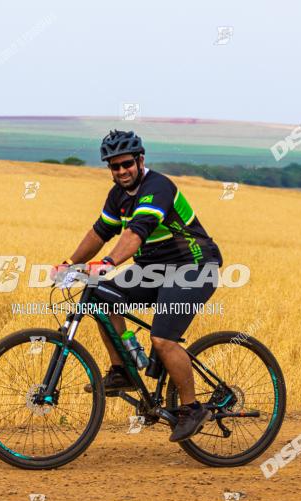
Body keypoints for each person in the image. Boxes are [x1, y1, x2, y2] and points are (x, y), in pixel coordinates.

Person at [54, 129, 223, 442]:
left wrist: (107, 263)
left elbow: (135, 234)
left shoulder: (157, 187)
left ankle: (192, 408)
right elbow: (99, 232)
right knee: (101, 298)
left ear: (140, 160)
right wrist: (69, 264)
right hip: (153, 269)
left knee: (162, 338)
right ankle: (122, 370)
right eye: (114, 166)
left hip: (194, 266)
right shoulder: (117, 195)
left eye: (127, 164)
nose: (121, 171)